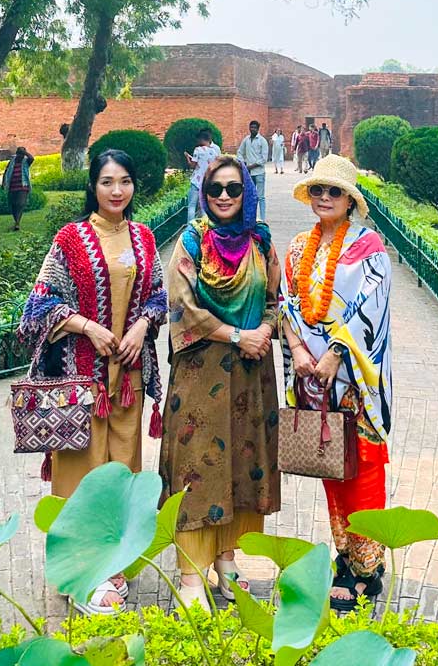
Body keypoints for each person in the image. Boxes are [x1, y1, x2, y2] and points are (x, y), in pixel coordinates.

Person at [18, 149, 168, 615]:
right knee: (79, 476)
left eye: (124, 181)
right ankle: (79, 574)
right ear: (92, 186)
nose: (117, 191)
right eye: (107, 182)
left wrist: (142, 325)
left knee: (122, 472)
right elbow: (38, 304)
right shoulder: (71, 239)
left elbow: (158, 296)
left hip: (128, 380)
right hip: (79, 381)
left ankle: (111, 563)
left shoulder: (143, 238)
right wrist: (87, 327)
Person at [159, 155, 281, 610]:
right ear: (204, 194)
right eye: (215, 189)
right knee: (197, 468)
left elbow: (275, 300)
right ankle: (191, 572)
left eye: (234, 188)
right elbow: (182, 306)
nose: (225, 197)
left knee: (240, 465)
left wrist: (263, 330)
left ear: (247, 192)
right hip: (202, 371)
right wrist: (236, 335)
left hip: (250, 373)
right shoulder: (192, 242)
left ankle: (227, 559)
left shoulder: (260, 241)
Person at [279, 154, 393, 613]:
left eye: (334, 191)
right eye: (317, 190)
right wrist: (299, 351)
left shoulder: (369, 247)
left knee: (363, 465)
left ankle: (368, 569)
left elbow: (372, 306)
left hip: (354, 380)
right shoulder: (297, 248)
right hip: (315, 380)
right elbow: (287, 306)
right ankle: (345, 556)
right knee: (332, 464)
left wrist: (335, 353)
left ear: (349, 200)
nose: (324, 197)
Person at [185, 128, 222, 222]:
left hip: (196, 181)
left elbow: (193, 165)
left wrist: (188, 158)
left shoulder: (197, 150)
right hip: (207, 181)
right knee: (204, 206)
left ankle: (190, 225)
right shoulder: (214, 152)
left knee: (192, 206)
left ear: (202, 139)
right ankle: (205, 225)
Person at [236, 120, 269, 221]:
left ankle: (262, 219)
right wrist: (243, 163)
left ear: (258, 129)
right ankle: (251, 217)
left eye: (254, 128)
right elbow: (239, 152)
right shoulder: (246, 140)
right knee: (250, 196)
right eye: (251, 127)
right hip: (249, 173)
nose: (252, 129)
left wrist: (251, 167)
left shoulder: (262, 141)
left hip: (259, 172)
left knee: (260, 197)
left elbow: (264, 159)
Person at [2, 146, 35, 231]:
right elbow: (6, 172)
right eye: (19, 154)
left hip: (23, 186)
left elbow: (32, 158)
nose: (21, 156)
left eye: (22, 155)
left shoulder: (26, 161)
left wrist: (25, 152)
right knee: (13, 205)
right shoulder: (11, 162)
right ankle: (16, 221)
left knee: (20, 204)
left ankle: (17, 223)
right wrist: (3, 183)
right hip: (12, 187)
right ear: (16, 154)